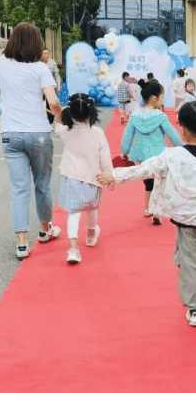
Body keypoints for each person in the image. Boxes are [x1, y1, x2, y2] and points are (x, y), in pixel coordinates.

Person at [98, 101, 196, 327]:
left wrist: (114, 175)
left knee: (189, 265)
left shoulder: (171, 156)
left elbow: (144, 169)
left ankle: (195, 310)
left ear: (181, 128)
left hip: (185, 224)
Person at [0, 22, 63, 259]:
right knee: (42, 185)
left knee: (19, 189)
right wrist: (63, 119)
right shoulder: (40, 69)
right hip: (38, 134)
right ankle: (45, 230)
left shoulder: (1, 68)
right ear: (37, 44)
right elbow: (53, 102)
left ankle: (22, 243)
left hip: (10, 134)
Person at [54, 93, 113, 266]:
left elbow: (58, 123)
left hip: (71, 177)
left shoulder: (66, 131)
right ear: (91, 112)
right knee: (91, 207)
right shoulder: (97, 133)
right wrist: (110, 174)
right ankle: (90, 234)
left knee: (74, 212)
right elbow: (105, 156)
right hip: (92, 178)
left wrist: (61, 112)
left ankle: (73, 249)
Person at [121, 80, 183, 224]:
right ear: (154, 98)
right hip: (159, 156)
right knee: (159, 183)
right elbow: (172, 135)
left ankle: (148, 207)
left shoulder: (135, 116)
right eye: (162, 98)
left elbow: (127, 137)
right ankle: (157, 212)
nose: (162, 101)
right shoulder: (160, 117)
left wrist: (125, 151)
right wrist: (182, 148)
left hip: (141, 157)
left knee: (148, 183)